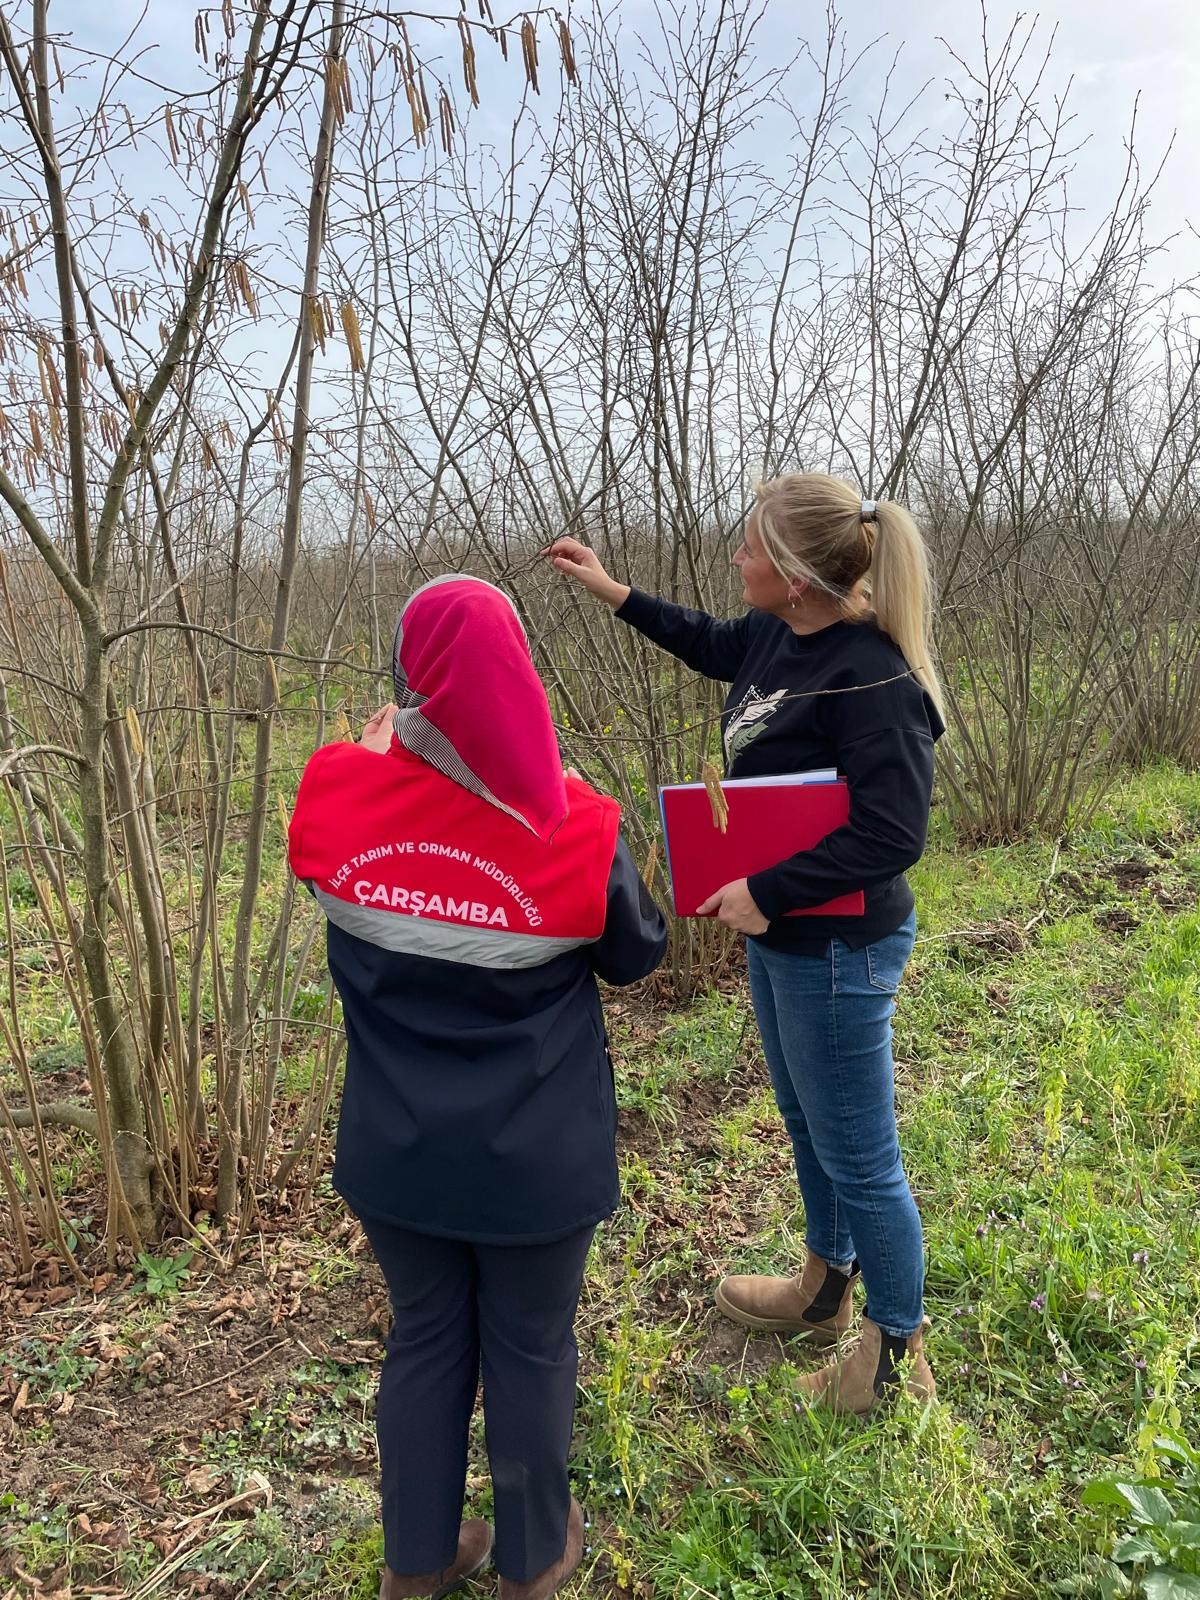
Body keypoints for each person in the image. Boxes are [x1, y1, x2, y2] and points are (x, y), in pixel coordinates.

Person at [288, 574, 667, 1600]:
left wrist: (376, 762)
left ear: (407, 680)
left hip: (397, 1155)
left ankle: (415, 1566)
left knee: (424, 1339)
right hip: (536, 1163)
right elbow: (638, 953)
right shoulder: (577, 825)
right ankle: (533, 1563)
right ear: (519, 679)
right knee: (532, 1348)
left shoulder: (334, 795)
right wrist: (562, 798)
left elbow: (330, 864)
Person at [548, 473, 945, 1413]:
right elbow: (710, 641)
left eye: (752, 548)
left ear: (798, 577)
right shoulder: (776, 633)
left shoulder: (874, 679)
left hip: (839, 947)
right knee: (810, 1124)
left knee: (862, 1156)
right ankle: (824, 1284)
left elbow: (895, 835)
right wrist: (612, 591)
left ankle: (896, 1359)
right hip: (783, 937)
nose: (737, 558)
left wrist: (767, 891)